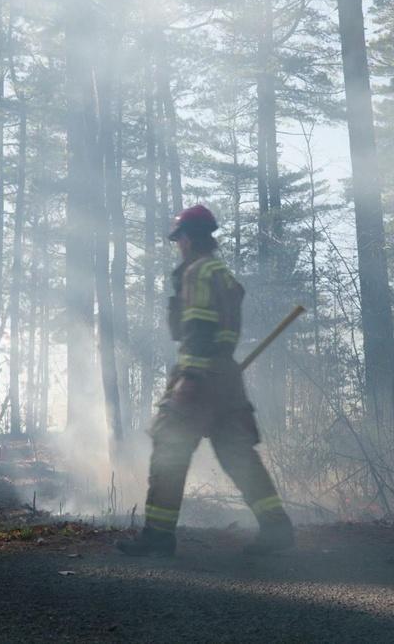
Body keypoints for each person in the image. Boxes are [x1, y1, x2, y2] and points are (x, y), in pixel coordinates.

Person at [117, 204, 294, 557]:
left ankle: (158, 536)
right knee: (237, 454)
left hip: (199, 379)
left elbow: (198, 327)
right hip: (227, 379)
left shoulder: (198, 272)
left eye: (178, 238)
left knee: (169, 450)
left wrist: (191, 378)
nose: (177, 245)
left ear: (187, 238)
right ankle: (277, 527)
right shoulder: (221, 272)